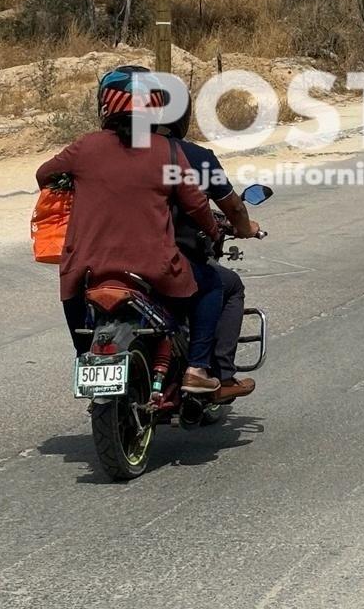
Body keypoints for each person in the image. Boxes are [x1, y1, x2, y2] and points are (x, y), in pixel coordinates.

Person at [35, 67, 224, 394]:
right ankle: (196, 368)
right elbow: (196, 205)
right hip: (152, 268)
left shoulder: (85, 147)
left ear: (105, 105)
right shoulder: (168, 152)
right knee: (211, 286)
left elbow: (44, 175)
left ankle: (86, 356)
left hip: (85, 269)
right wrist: (215, 232)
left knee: (74, 305)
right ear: (154, 107)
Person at [160, 92, 261, 404]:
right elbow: (233, 207)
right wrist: (246, 229)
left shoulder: (116, 156)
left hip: (112, 259)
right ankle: (217, 372)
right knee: (225, 285)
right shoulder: (196, 158)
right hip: (172, 260)